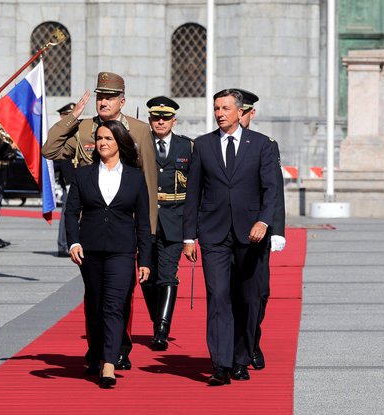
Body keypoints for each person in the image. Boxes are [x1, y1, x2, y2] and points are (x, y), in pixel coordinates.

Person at [43, 71, 157, 373]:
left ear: (122, 100)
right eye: (99, 96)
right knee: (94, 297)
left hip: (124, 225)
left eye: (109, 97)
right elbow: (49, 150)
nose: (103, 101)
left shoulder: (140, 130)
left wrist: (149, 235)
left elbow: (147, 182)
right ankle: (97, 349)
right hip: (89, 224)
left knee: (121, 295)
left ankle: (119, 349)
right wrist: (72, 118)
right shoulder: (83, 129)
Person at [182, 89, 277, 385]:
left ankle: (241, 358)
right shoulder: (203, 145)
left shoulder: (261, 145)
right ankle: (221, 365)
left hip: (251, 235)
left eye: (225, 108)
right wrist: (188, 237)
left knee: (248, 299)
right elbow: (193, 192)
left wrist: (264, 220)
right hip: (214, 234)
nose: (220, 113)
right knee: (219, 297)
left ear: (239, 111)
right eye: (216, 108)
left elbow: (271, 189)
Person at [65, 120, 151, 388]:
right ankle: (96, 353)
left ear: (120, 143)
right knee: (95, 304)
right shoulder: (83, 175)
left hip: (122, 252)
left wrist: (145, 259)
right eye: (100, 138)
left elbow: (144, 222)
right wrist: (73, 243)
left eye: (109, 139)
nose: (102, 143)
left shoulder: (135, 177)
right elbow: (70, 212)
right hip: (89, 251)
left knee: (114, 305)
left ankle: (110, 363)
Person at [235, 88, 286, 370]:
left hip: (258, 230)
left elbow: (274, 189)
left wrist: (277, 228)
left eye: (243, 112)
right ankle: (240, 347)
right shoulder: (212, 143)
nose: (239, 116)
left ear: (250, 113)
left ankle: (252, 339)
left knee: (259, 293)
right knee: (232, 292)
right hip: (226, 230)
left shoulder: (266, 144)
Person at [141, 96, 193, 351]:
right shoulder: (141, 144)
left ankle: (162, 328)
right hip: (145, 221)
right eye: (155, 117)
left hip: (175, 220)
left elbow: (195, 191)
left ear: (174, 120)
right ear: (149, 119)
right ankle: (155, 318)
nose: (160, 121)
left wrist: (192, 231)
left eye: (165, 117)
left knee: (168, 275)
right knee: (147, 278)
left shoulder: (187, 148)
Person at [54, 102, 75, 258]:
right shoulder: (60, 135)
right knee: (67, 213)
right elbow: (63, 161)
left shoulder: (76, 132)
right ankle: (63, 245)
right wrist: (68, 182)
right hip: (69, 181)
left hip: (79, 179)